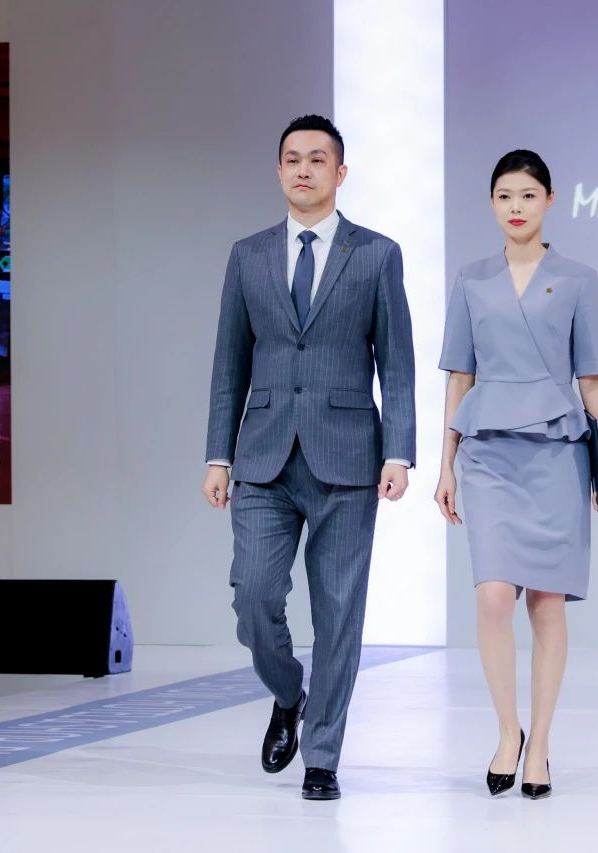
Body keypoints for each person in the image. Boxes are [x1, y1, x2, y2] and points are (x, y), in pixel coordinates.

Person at [203, 114, 416, 801]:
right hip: (262, 457)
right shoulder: (248, 255)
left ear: (340, 172)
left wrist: (399, 451)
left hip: (348, 458)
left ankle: (322, 756)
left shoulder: (376, 254)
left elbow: (398, 364)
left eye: (317, 158)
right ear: (278, 171)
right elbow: (229, 364)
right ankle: (289, 693)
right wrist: (217, 455)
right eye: (292, 158)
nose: (304, 168)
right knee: (254, 595)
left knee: (338, 612)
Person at [434, 149, 598, 800]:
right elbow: (460, 375)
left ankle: (539, 743)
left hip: (556, 452)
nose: (517, 206)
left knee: (545, 601)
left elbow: (593, 379)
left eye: (529, 195)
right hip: (487, 451)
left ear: (550, 200)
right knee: (491, 595)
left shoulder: (578, 279)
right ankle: (507, 731)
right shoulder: (471, 279)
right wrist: (445, 463)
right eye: (505, 195)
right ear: (491, 203)